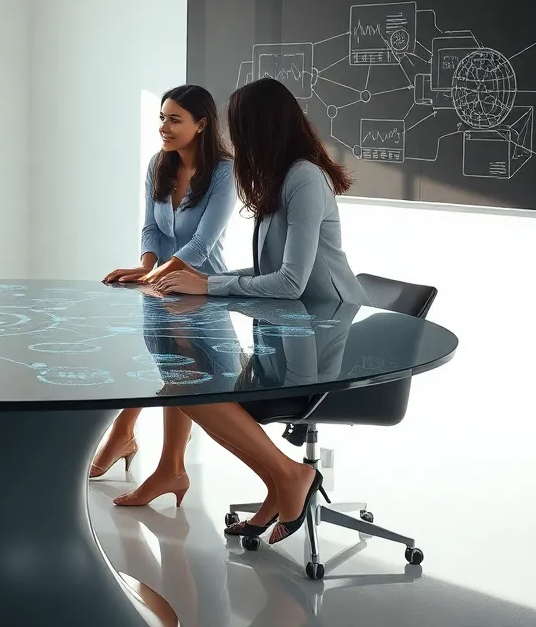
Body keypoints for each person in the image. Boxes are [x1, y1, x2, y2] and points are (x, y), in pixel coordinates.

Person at [143, 77, 369, 547]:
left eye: (239, 129)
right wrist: (205, 286)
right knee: (183, 385)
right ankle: (281, 479)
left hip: (322, 336)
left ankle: (288, 477)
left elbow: (290, 283)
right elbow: (269, 270)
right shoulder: (280, 177)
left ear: (261, 128)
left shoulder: (304, 178)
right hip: (291, 331)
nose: (233, 142)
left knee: (188, 389)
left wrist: (207, 283)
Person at [97, 85, 237, 507]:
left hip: (202, 288)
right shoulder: (159, 165)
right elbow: (151, 227)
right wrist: (145, 267)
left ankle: (142, 447)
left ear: (202, 124)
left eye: (175, 119)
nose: (164, 127)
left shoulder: (224, 172)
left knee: (184, 376)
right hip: (162, 284)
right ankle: (160, 461)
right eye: (162, 117)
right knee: (167, 368)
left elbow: (202, 245)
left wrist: (155, 276)